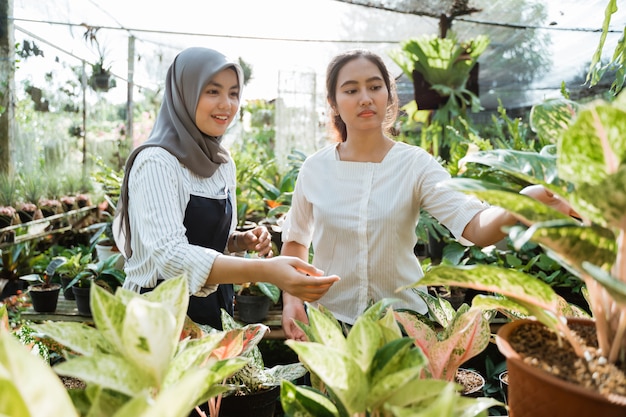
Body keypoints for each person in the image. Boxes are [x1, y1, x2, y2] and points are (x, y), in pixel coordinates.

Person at [280, 49, 577, 341]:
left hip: (402, 328)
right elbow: (296, 241)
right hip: (331, 326)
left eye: (374, 86)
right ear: (333, 102)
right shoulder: (316, 169)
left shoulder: (414, 164)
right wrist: (292, 300)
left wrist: (525, 201)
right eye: (351, 90)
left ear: (389, 95)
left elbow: (474, 224)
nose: (365, 98)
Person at [114, 47, 339, 330]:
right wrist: (266, 271)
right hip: (158, 315)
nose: (227, 104)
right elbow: (170, 255)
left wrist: (238, 241)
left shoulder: (222, 162)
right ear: (184, 94)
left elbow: (204, 237)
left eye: (233, 93)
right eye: (212, 91)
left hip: (213, 307)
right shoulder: (156, 161)